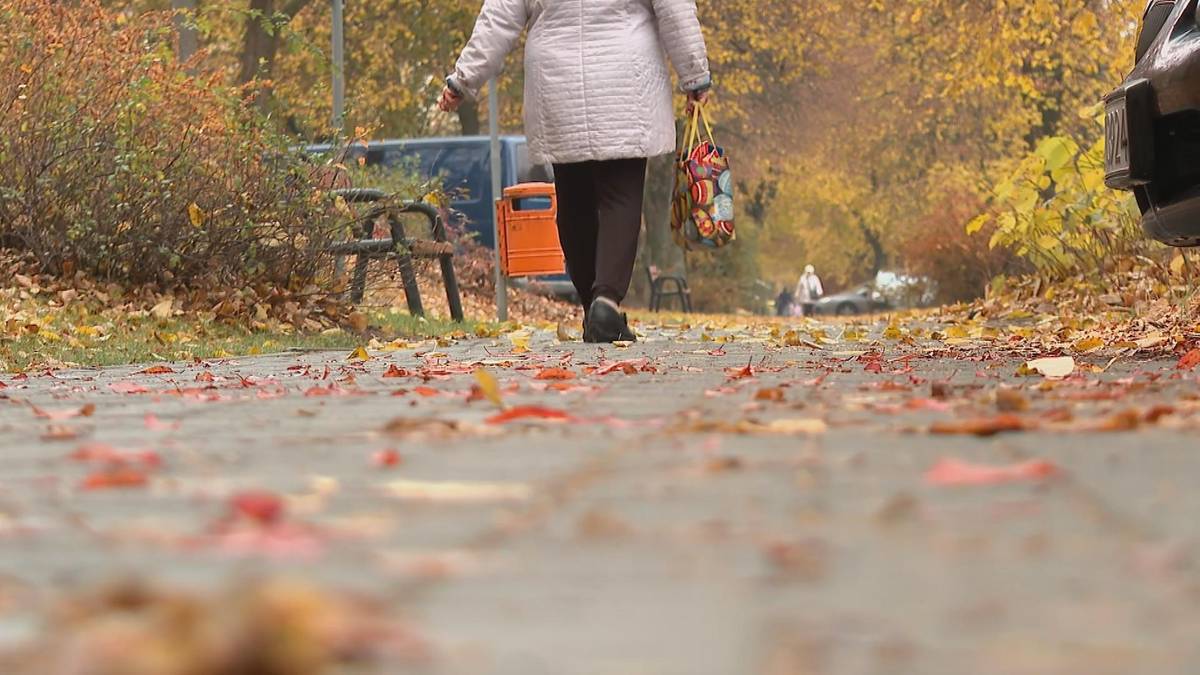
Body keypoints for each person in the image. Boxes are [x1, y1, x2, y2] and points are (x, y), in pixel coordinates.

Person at [437, 0, 711, 343]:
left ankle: (591, 306)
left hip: (556, 79)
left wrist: (463, 80)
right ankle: (606, 300)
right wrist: (694, 75)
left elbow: (499, 16)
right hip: (625, 78)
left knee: (573, 199)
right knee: (620, 195)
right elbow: (674, 9)